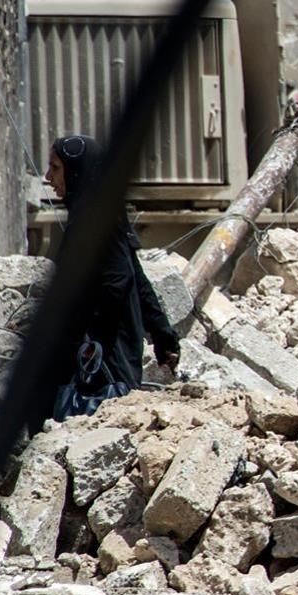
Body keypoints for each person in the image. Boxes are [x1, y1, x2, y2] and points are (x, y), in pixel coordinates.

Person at [36, 134, 180, 431]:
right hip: (107, 356)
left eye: (55, 168)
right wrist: (164, 336)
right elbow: (137, 277)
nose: (48, 178)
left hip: (104, 364)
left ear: (76, 171)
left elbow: (119, 281)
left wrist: (85, 337)